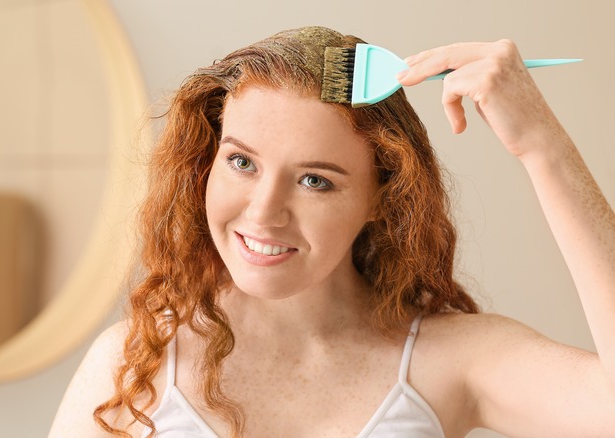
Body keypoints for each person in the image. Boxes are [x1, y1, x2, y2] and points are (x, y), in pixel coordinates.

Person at [49, 27, 615, 437]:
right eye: (242, 162)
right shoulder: (133, 364)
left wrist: (540, 144)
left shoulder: (450, 360)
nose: (263, 213)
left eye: (315, 180)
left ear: (382, 199)